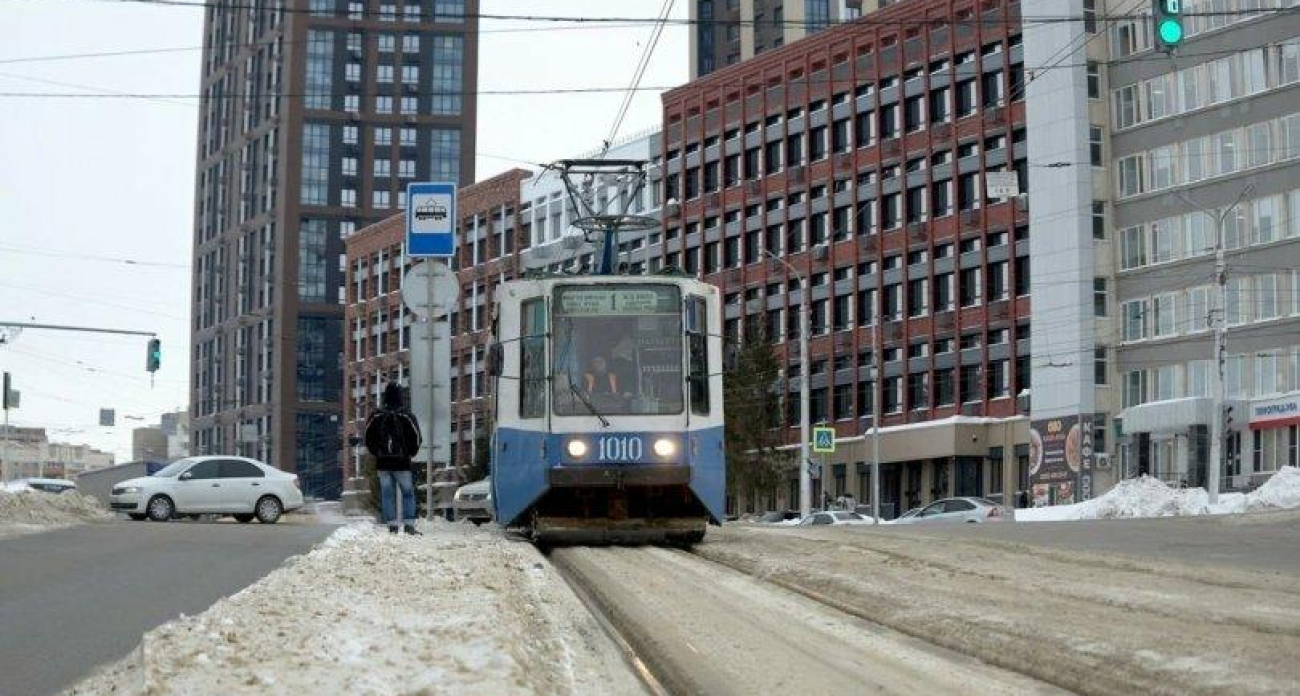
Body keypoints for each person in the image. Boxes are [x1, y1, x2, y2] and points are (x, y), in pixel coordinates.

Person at [364, 382, 423, 535]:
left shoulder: (376, 415)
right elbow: (416, 437)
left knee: (387, 494)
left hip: (383, 463)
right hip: (402, 463)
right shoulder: (406, 415)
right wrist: (410, 453)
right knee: (408, 493)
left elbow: (367, 437)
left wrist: (376, 452)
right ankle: (409, 525)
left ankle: (392, 525)